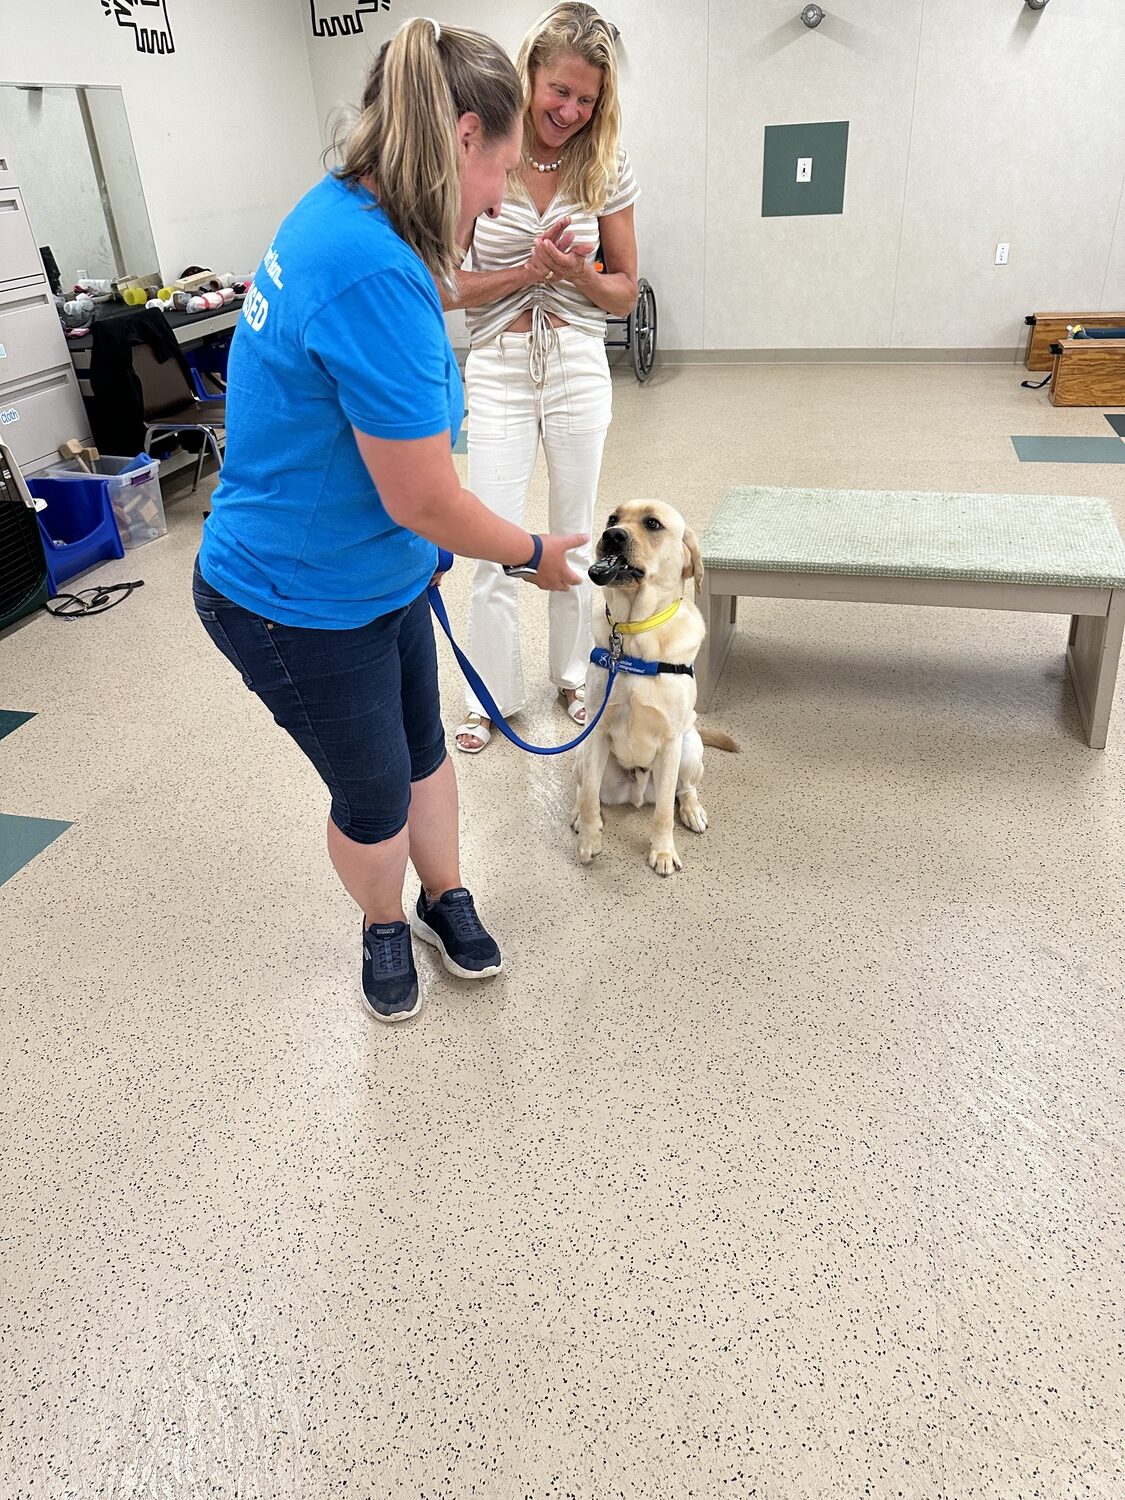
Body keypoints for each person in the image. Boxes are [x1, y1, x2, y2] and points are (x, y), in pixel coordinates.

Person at [192, 19, 585, 1024]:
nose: (499, 197)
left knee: (423, 751)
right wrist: (534, 554)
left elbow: (393, 473)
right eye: (500, 170)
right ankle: (381, 921)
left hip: (371, 570)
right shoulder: (373, 272)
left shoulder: (342, 213)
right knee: (374, 797)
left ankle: (445, 894)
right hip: (291, 600)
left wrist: (423, 550)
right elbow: (422, 494)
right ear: (462, 138)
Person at [446, 1, 639, 755]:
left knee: (572, 534)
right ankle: (486, 697)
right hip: (496, 366)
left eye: (586, 99)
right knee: (494, 537)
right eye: (558, 90)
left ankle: (569, 675)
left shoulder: (606, 161)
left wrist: (576, 275)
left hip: (576, 363)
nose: (569, 110)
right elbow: (441, 284)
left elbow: (623, 287)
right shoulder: (483, 148)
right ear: (529, 74)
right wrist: (524, 273)